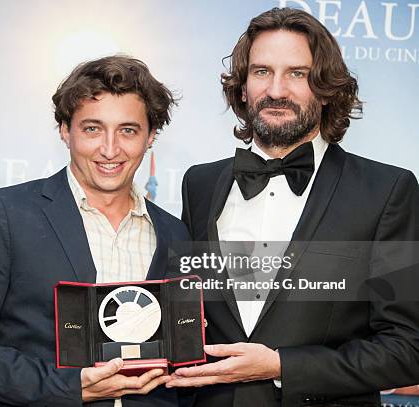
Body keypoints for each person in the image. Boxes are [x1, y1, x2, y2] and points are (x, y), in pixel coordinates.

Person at [169, 7, 419, 407]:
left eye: (297, 74)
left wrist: (282, 366)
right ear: (243, 86)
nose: (277, 90)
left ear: (325, 89)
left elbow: (408, 349)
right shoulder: (199, 184)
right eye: (262, 71)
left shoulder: (386, 191)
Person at [0, 55, 190, 407]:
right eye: (92, 128)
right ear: (65, 130)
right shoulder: (6, 214)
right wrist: (66, 386)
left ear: (151, 136)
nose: (110, 149)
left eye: (128, 130)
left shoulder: (176, 234)